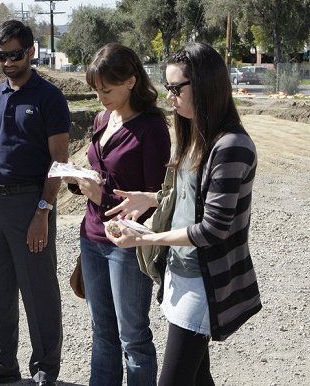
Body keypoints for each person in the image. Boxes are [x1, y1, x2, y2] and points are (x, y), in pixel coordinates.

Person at [105, 42, 261, 385]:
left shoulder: (232, 146)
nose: (170, 96)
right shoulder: (194, 135)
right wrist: (149, 199)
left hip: (202, 285)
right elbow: (188, 197)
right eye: (168, 87)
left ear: (204, 86)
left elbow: (213, 229)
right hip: (181, 273)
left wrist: (146, 237)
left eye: (177, 87)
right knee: (198, 378)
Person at [0, 20, 70, 386]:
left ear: (31, 52)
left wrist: (43, 211)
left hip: (30, 204)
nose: (7, 62)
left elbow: (58, 163)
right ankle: (5, 362)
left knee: (38, 293)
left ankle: (45, 369)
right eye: (0, 56)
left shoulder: (49, 98)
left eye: (15, 55)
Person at [62, 43, 171, 385]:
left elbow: (157, 197)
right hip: (92, 236)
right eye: (95, 91)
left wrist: (102, 193)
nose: (100, 98)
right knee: (102, 333)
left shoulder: (152, 128)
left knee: (133, 338)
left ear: (131, 82)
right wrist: (79, 182)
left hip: (128, 243)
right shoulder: (101, 118)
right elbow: (104, 171)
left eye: (106, 90)